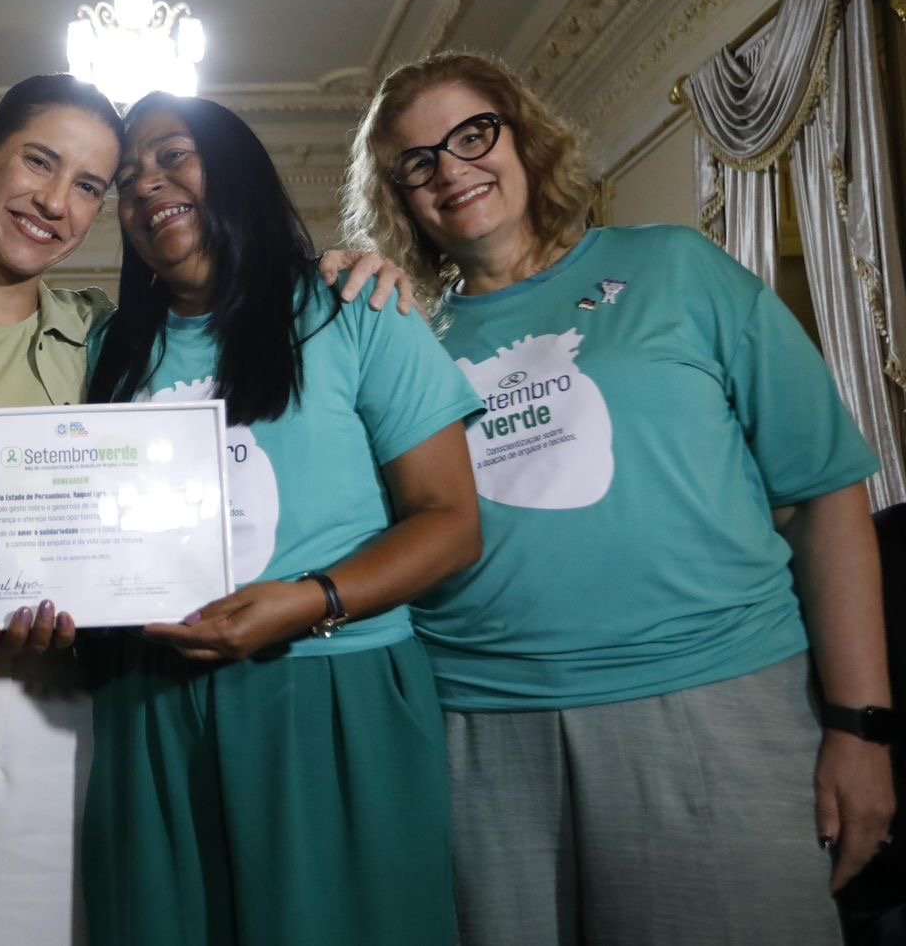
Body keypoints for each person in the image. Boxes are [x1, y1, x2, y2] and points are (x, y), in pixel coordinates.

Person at [0, 75, 410, 946]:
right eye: (40, 162)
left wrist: (344, 259)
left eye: (87, 186)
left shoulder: (106, 339)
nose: (55, 201)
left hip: (56, 711)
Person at [343, 50, 892, 946]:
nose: (452, 169)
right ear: (400, 195)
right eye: (418, 161)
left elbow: (826, 494)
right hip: (476, 731)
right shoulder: (394, 338)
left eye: (473, 134)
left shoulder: (677, 267)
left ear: (523, 138)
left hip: (715, 705)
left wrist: (861, 726)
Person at [80, 92, 484, 945]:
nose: (146, 184)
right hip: (150, 701)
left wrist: (306, 600)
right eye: (125, 179)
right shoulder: (106, 349)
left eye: (171, 154)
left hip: (331, 685)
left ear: (239, 172)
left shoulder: (355, 310)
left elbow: (449, 521)